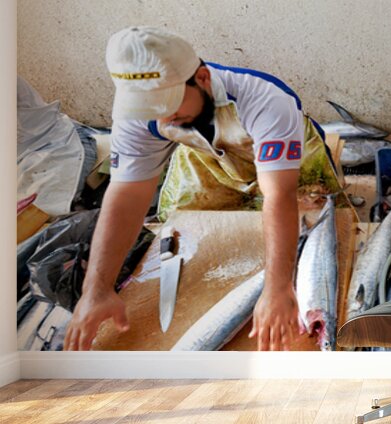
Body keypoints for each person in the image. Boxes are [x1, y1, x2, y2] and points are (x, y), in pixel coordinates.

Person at [65, 26, 341, 351]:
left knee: (312, 215)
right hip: (210, 156)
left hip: (287, 158)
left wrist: (278, 287)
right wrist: (95, 290)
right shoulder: (139, 115)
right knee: (184, 219)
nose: (163, 118)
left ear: (203, 78)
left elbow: (278, 195)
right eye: (151, 108)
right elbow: (126, 195)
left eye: (170, 102)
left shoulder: (265, 99)